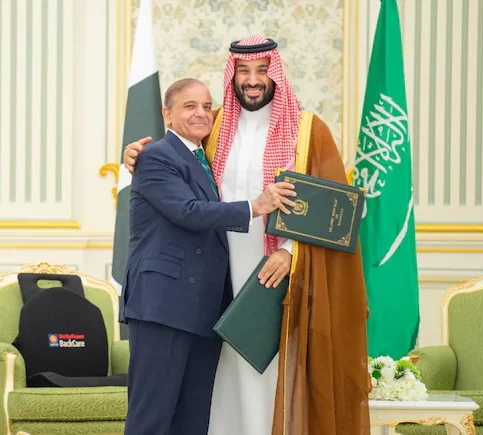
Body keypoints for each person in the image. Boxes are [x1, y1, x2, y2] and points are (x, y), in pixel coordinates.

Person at [124, 36, 371, 435]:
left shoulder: (307, 130)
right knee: (210, 390)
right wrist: (135, 153)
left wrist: (289, 251)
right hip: (210, 287)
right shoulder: (214, 126)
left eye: (261, 70)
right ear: (232, 75)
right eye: (243, 71)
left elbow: (336, 212)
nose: (252, 80)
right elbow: (175, 170)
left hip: (276, 276)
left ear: (276, 74)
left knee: (267, 375)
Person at [119, 77, 297, 435]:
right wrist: (256, 206)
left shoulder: (206, 156)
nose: (201, 113)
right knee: (152, 417)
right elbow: (188, 211)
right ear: (167, 114)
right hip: (163, 306)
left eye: (206, 106)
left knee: (193, 419)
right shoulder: (156, 156)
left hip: (203, 309)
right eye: (189, 106)